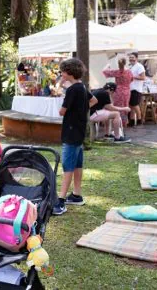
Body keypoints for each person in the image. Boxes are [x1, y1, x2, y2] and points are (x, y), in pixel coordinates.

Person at [53, 58, 97, 216]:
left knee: (68, 166)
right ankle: (76, 195)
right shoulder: (82, 87)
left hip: (71, 132)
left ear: (69, 73)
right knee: (77, 164)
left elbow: (62, 111)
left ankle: (61, 201)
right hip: (79, 131)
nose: (61, 74)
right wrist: (81, 109)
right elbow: (94, 100)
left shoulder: (72, 90)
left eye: (62, 71)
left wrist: (67, 97)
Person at [102, 57, 133, 125]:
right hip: (127, 91)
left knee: (117, 107)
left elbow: (104, 71)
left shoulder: (117, 72)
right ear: (125, 63)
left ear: (118, 64)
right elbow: (131, 80)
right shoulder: (129, 72)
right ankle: (124, 122)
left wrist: (107, 65)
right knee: (125, 106)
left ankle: (117, 123)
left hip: (118, 91)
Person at [127, 53, 146, 126]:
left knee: (135, 105)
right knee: (131, 105)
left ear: (136, 58)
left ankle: (139, 120)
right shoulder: (130, 66)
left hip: (136, 89)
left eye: (133, 57)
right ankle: (131, 121)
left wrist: (133, 77)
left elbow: (143, 77)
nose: (131, 59)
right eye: (130, 57)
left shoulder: (140, 66)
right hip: (130, 88)